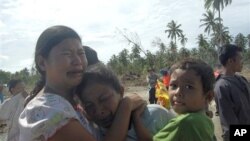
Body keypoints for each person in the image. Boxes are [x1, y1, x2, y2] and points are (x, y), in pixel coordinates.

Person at [18, 25, 146, 141]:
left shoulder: (70, 103)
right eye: (67, 54)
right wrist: (126, 105)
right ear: (42, 63)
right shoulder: (48, 112)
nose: (77, 61)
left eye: (81, 53)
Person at [76, 63, 175, 141]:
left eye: (104, 99)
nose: (98, 111)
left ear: (121, 91)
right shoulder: (92, 133)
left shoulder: (155, 116)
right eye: (89, 105)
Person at [153, 58, 216, 141]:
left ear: (208, 96)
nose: (177, 92)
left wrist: (136, 118)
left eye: (188, 87)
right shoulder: (204, 119)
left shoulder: (186, 122)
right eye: (174, 86)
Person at [214, 44, 250, 141]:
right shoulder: (222, 87)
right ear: (230, 61)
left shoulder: (242, 79)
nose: (242, 62)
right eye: (240, 59)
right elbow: (229, 127)